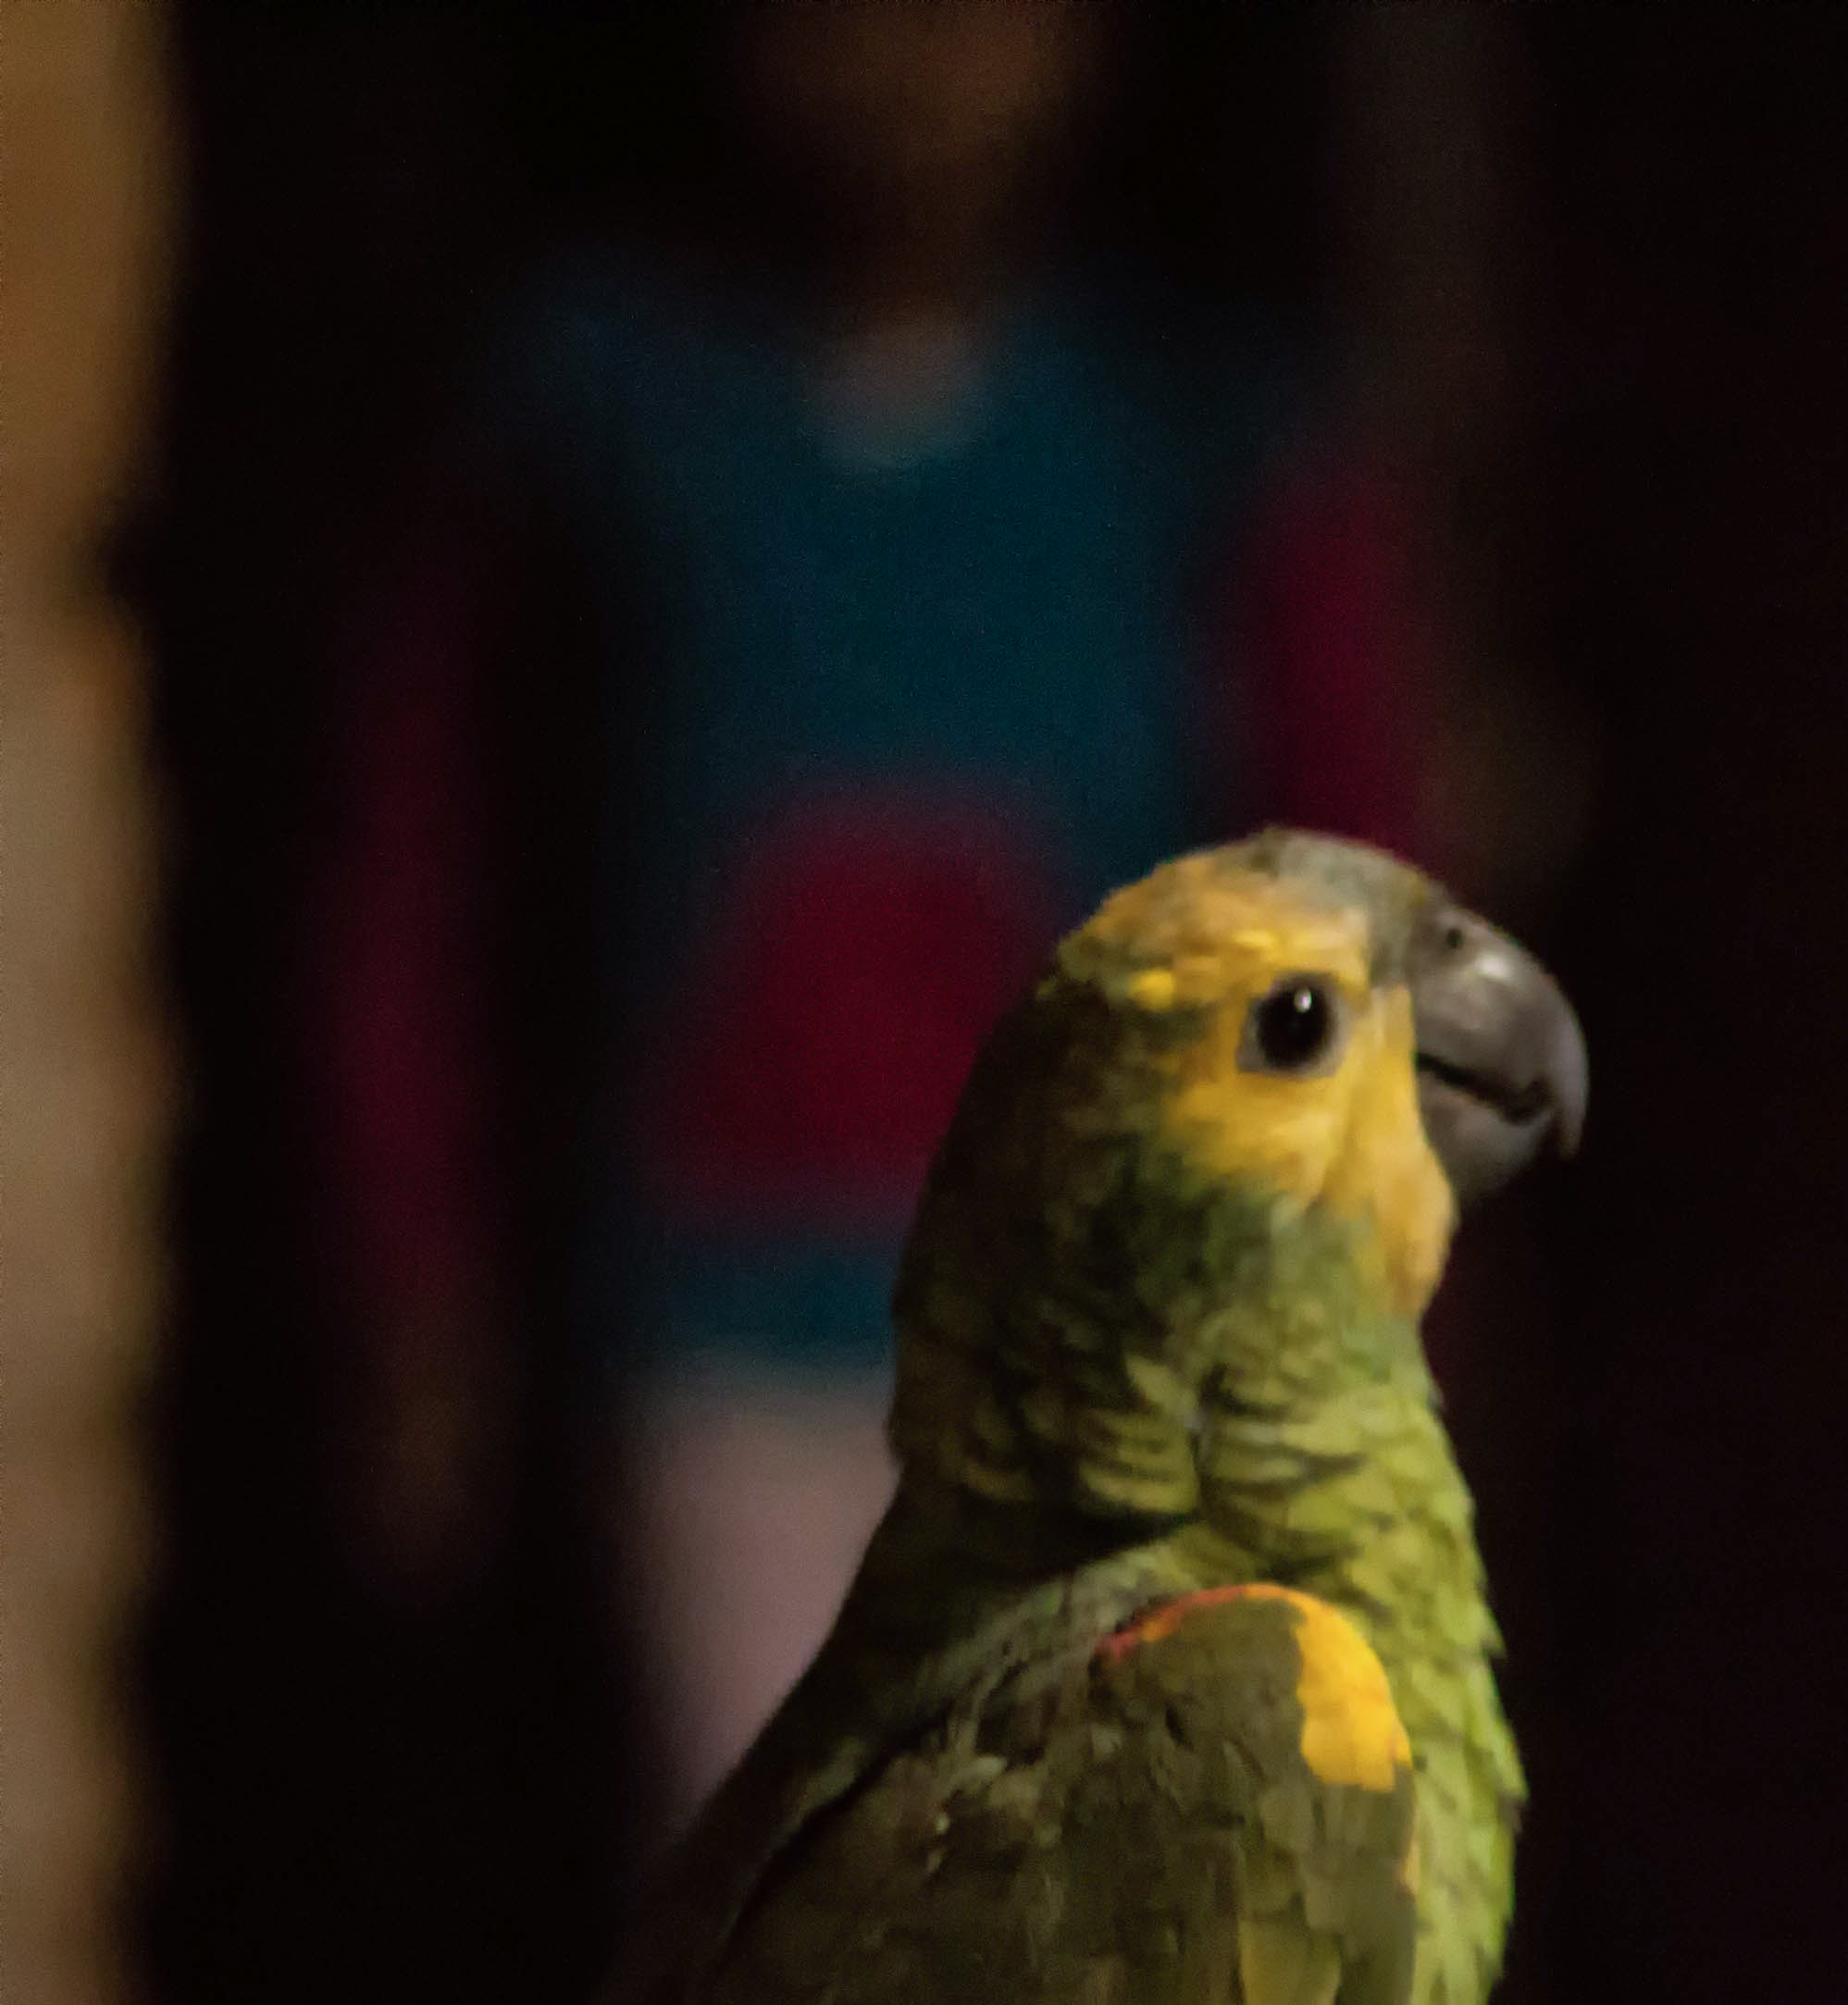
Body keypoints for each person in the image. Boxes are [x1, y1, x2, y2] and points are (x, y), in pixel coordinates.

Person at [321, 0, 1425, 1808]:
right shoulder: (602, 415)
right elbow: (424, 861)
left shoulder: (1203, 438)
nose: (910, 53)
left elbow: (1354, 891)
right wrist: (417, 1265)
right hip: (734, 1346)